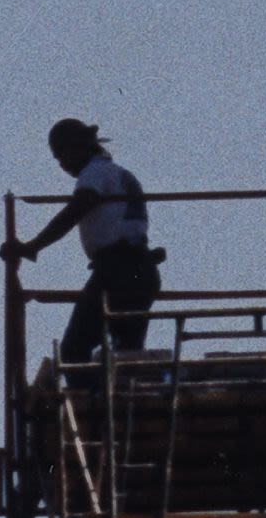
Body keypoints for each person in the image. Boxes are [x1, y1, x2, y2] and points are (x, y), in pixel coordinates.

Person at [15, 118, 160, 363]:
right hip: (141, 271)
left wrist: (33, 246)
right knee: (125, 357)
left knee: (74, 352)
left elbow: (76, 210)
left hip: (118, 272)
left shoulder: (95, 173)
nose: (62, 164)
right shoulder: (118, 174)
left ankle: (92, 400)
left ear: (78, 147)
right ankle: (109, 399)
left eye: (61, 155)